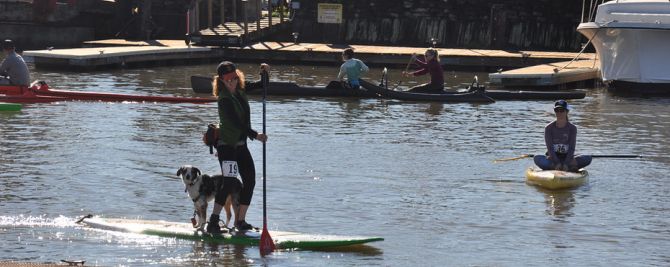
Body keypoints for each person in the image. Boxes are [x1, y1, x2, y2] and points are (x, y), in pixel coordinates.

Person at [207, 61, 269, 233]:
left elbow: (262, 85)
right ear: (221, 80)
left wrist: (264, 73)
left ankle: (240, 221)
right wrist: (256, 135)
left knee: (250, 180)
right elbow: (235, 123)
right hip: (227, 147)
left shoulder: (241, 90)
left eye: (234, 77)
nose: (232, 81)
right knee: (229, 182)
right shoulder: (224, 99)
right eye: (228, 79)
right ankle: (213, 222)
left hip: (241, 146)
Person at [534, 100, 592, 171]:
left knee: (588, 158)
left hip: (567, 158)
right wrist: (557, 162)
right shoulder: (548, 128)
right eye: (557, 110)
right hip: (553, 158)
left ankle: (565, 166)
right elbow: (550, 148)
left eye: (562, 110)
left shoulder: (572, 128)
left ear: (567, 112)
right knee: (537, 158)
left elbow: (571, 148)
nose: (559, 113)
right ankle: (559, 167)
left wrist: (566, 163)